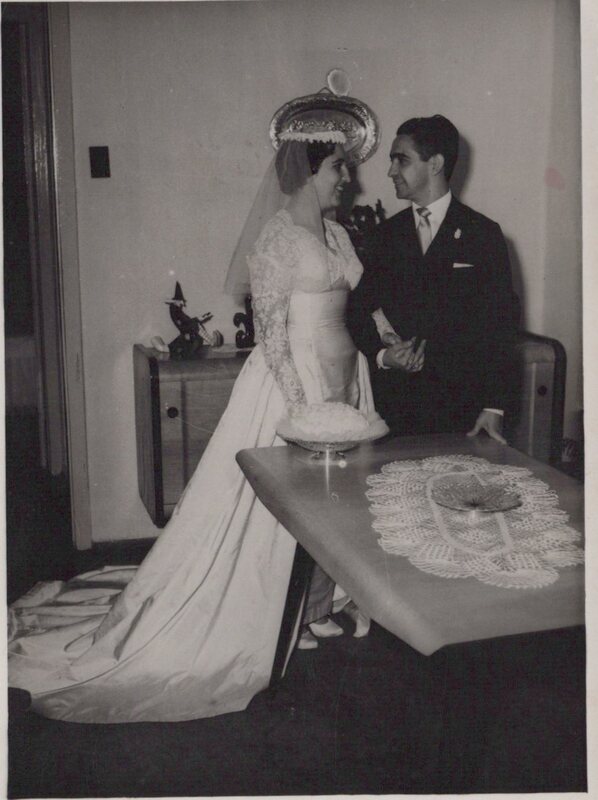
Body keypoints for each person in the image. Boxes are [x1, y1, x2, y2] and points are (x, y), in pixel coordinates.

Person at [8, 111, 377, 723]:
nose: (348, 179)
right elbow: (272, 337)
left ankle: (313, 605)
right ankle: (276, 616)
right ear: (310, 168)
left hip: (345, 377)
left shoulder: (338, 234)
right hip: (295, 384)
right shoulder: (277, 239)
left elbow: (352, 307)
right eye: (340, 167)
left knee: (331, 502)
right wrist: (301, 406)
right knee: (280, 508)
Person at [348, 114, 517, 441]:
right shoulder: (385, 235)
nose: (391, 171)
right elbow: (356, 311)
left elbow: (501, 324)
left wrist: (494, 407)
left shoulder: (483, 234)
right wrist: (383, 356)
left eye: (402, 160)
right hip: (394, 411)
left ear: (435, 164)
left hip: (463, 413)